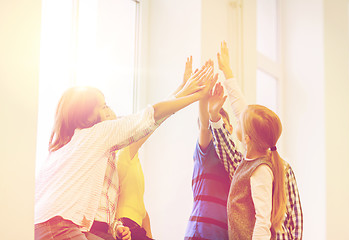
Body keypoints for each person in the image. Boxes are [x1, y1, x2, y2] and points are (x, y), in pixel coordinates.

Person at [34, 64, 218, 240]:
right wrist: (194, 95)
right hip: (59, 226)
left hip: (42, 225)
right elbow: (150, 116)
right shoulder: (97, 134)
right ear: (86, 115)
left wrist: (184, 89)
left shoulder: (63, 149)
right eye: (102, 106)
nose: (108, 109)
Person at [208, 41, 303, 239]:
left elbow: (265, 220)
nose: (237, 118)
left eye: (240, 122)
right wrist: (228, 72)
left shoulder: (261, 170)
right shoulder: (251, 160)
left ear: (248, 138)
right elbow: (242, 110)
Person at [184, 58, 231, 240]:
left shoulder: (235, 159)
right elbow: (205, 125)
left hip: (224, 234)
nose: (217, 132)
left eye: (222, 125)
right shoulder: (206, 153)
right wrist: (204, 97)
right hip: (200, 232)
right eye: (215, 127)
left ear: (231, 129)